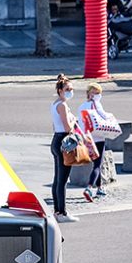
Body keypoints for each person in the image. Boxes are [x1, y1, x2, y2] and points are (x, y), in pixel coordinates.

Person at [50, 74, 79, 224]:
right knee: (63, 180)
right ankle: (62, 212)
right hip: (64, 141)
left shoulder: (55, 104)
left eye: (72, 89)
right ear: (60, 90)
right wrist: (74, 121)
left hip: (56, 139)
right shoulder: (62, 105)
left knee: (57, 179)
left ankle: (57, 211)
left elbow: (55, 125)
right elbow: (67, 127)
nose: (70, 92)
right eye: (68, 89)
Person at [78, 83, 110, 201]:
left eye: (99, 93)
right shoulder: (96, 104)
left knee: (96, 164)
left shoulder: (81, 106)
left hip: (87, 139)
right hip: (99, 137)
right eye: (95, 93)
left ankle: (100, 188)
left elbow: (81, 123)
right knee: (97, 165)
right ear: (89, 94)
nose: (98, 95)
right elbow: (104, 117)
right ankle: (89, 188)